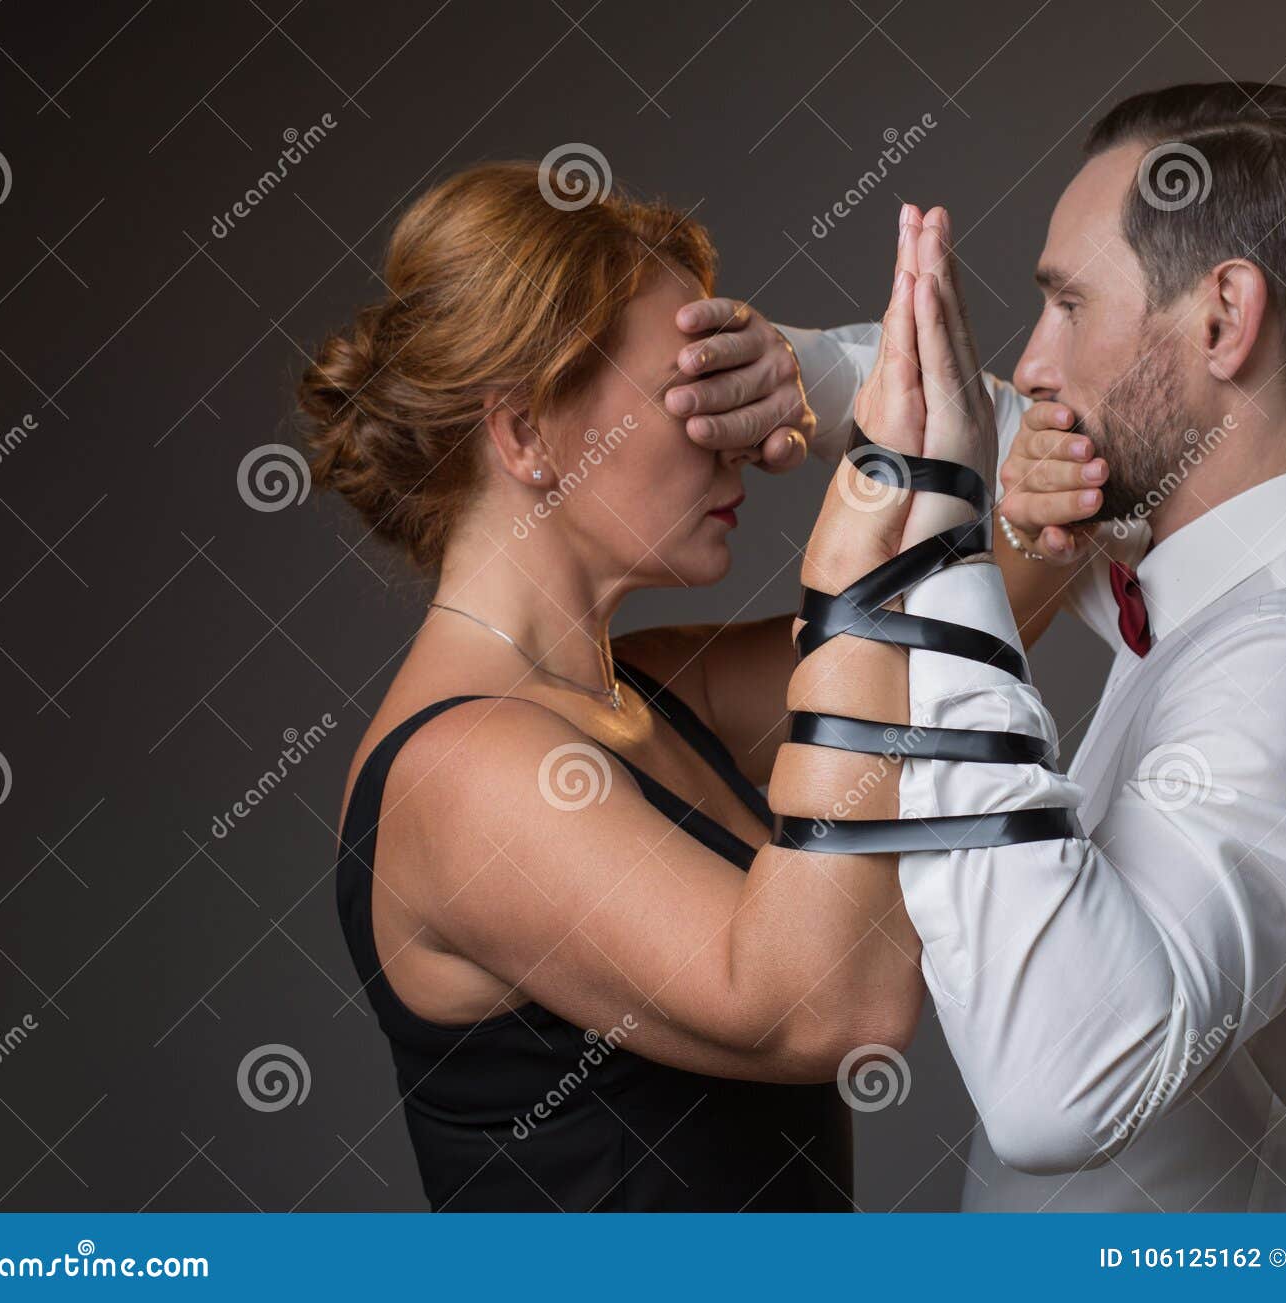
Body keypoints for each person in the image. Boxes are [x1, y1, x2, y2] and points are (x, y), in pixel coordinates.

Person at [669, 83, 1286, 1211]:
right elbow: (1012, 421)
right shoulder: (1206, 567)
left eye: (1067, 304)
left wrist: (942, 540)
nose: (1037, 360)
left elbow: (1057, 1091)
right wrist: (807, 373)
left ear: (1221, 319)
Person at [298, 161, 945, 1212]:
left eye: (736, 391)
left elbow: (1016, 566)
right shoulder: (463, 770)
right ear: (524, 431)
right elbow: (837, 1006)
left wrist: (827, 384)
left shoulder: (648, 695)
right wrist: (857, 571)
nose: (738, 442)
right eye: (687, 394)